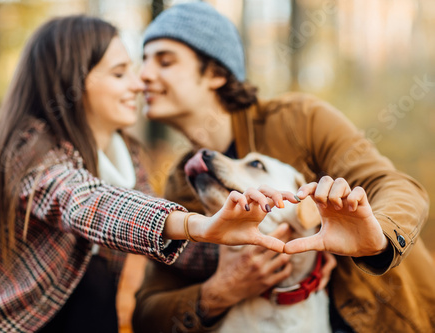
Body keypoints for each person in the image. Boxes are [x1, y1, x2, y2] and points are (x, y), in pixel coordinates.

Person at [0, 15, 297, 333]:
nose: (139, 84)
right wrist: (196, 224)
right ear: (70, 83)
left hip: (48, 315)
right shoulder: (27, 151)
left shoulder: (126, 159)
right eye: (120, 73)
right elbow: (87, 203)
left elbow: (174, 247)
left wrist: (266, 245)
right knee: (95, 277)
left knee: (98, 282)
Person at [133, 2, 435, 332]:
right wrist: (218, 292)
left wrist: (376, 239)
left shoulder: (299, 119)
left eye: (165, 61)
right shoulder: (180, 182)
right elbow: (148, 312)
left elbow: (395, 185)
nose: (143, 75)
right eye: (144, 60)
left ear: (217, 73)